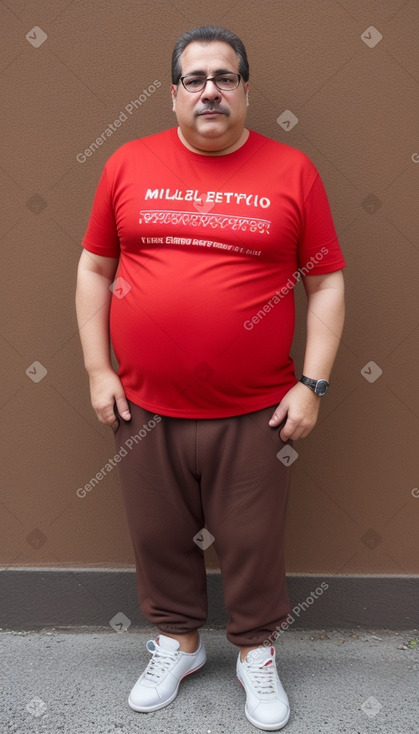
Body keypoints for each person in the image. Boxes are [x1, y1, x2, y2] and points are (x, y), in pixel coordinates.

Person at [76, 25, 345, 731]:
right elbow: (94, 270)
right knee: (157, 535)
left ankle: (255, 652)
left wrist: (311, 384)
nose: (210, 91)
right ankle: (178, 643)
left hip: (257, 409)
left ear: (245, 91)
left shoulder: (292, 171)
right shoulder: (127, 164)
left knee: (253, 539)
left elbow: (326, 283)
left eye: (224, 77)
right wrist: (98, 368)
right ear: (172, 95)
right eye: (194, 79)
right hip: (142, 406)